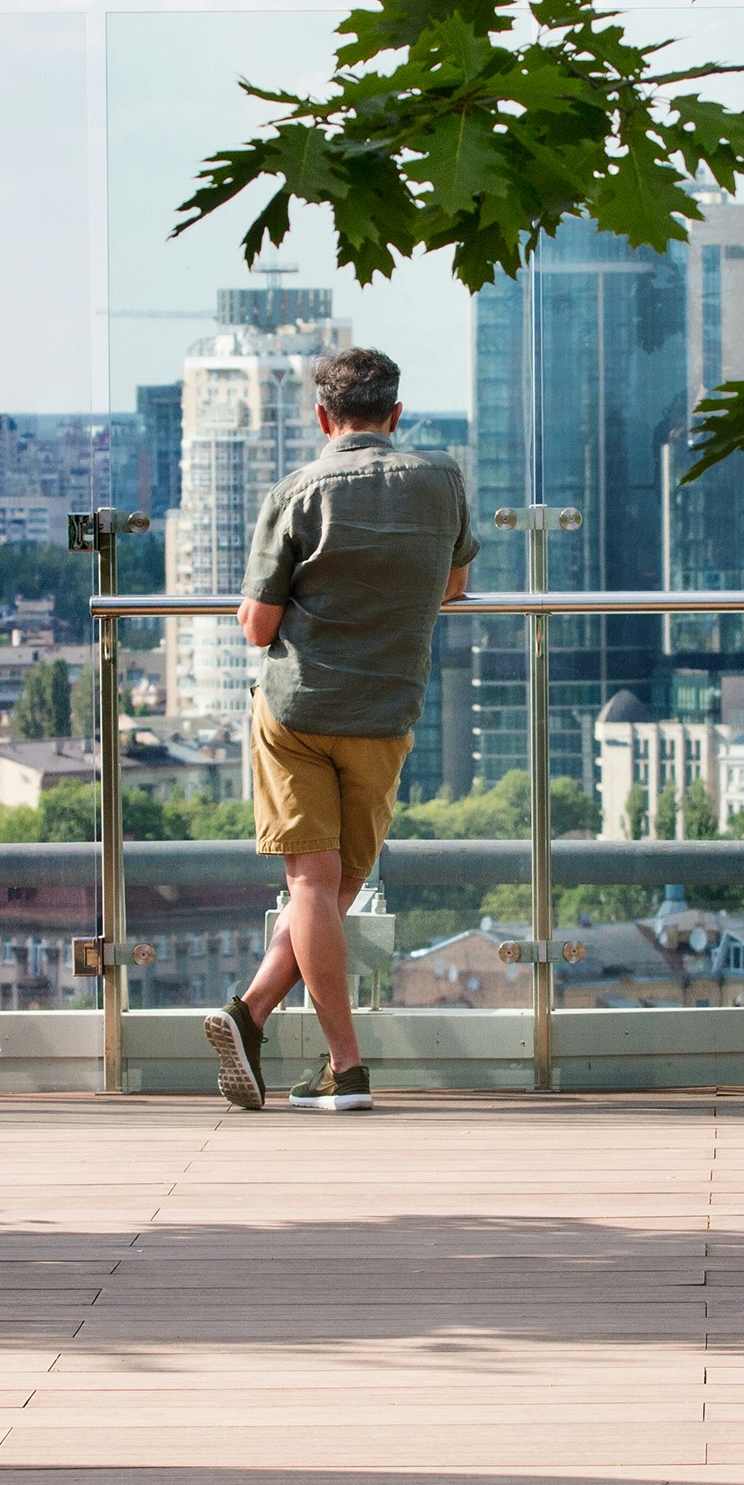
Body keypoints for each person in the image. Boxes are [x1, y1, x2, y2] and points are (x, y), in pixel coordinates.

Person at [204, 345, 476, 1111]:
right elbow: (453, 584)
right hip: (386, 711)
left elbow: (258, 629)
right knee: (336, 888)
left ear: (323, 418)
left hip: (298, 710)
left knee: (314, 887)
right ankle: (281, 1034)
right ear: (396, 416)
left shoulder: (297, 491)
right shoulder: (442, 479)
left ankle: (297, 1040)